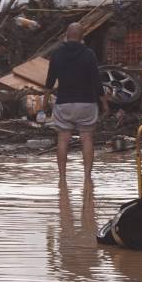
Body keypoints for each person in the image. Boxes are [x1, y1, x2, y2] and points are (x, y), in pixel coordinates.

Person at [45, 22, 108, 183]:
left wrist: (45, 102)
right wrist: (104, 103)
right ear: (82, 37)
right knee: (86, 138)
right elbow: (96, 81)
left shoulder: (57, 53)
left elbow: (50, 80)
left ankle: (62, 178)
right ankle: (87, 177)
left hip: (64, 102)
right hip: (86, 103)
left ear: (66, 34)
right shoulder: (89, 54)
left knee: (63, 139)